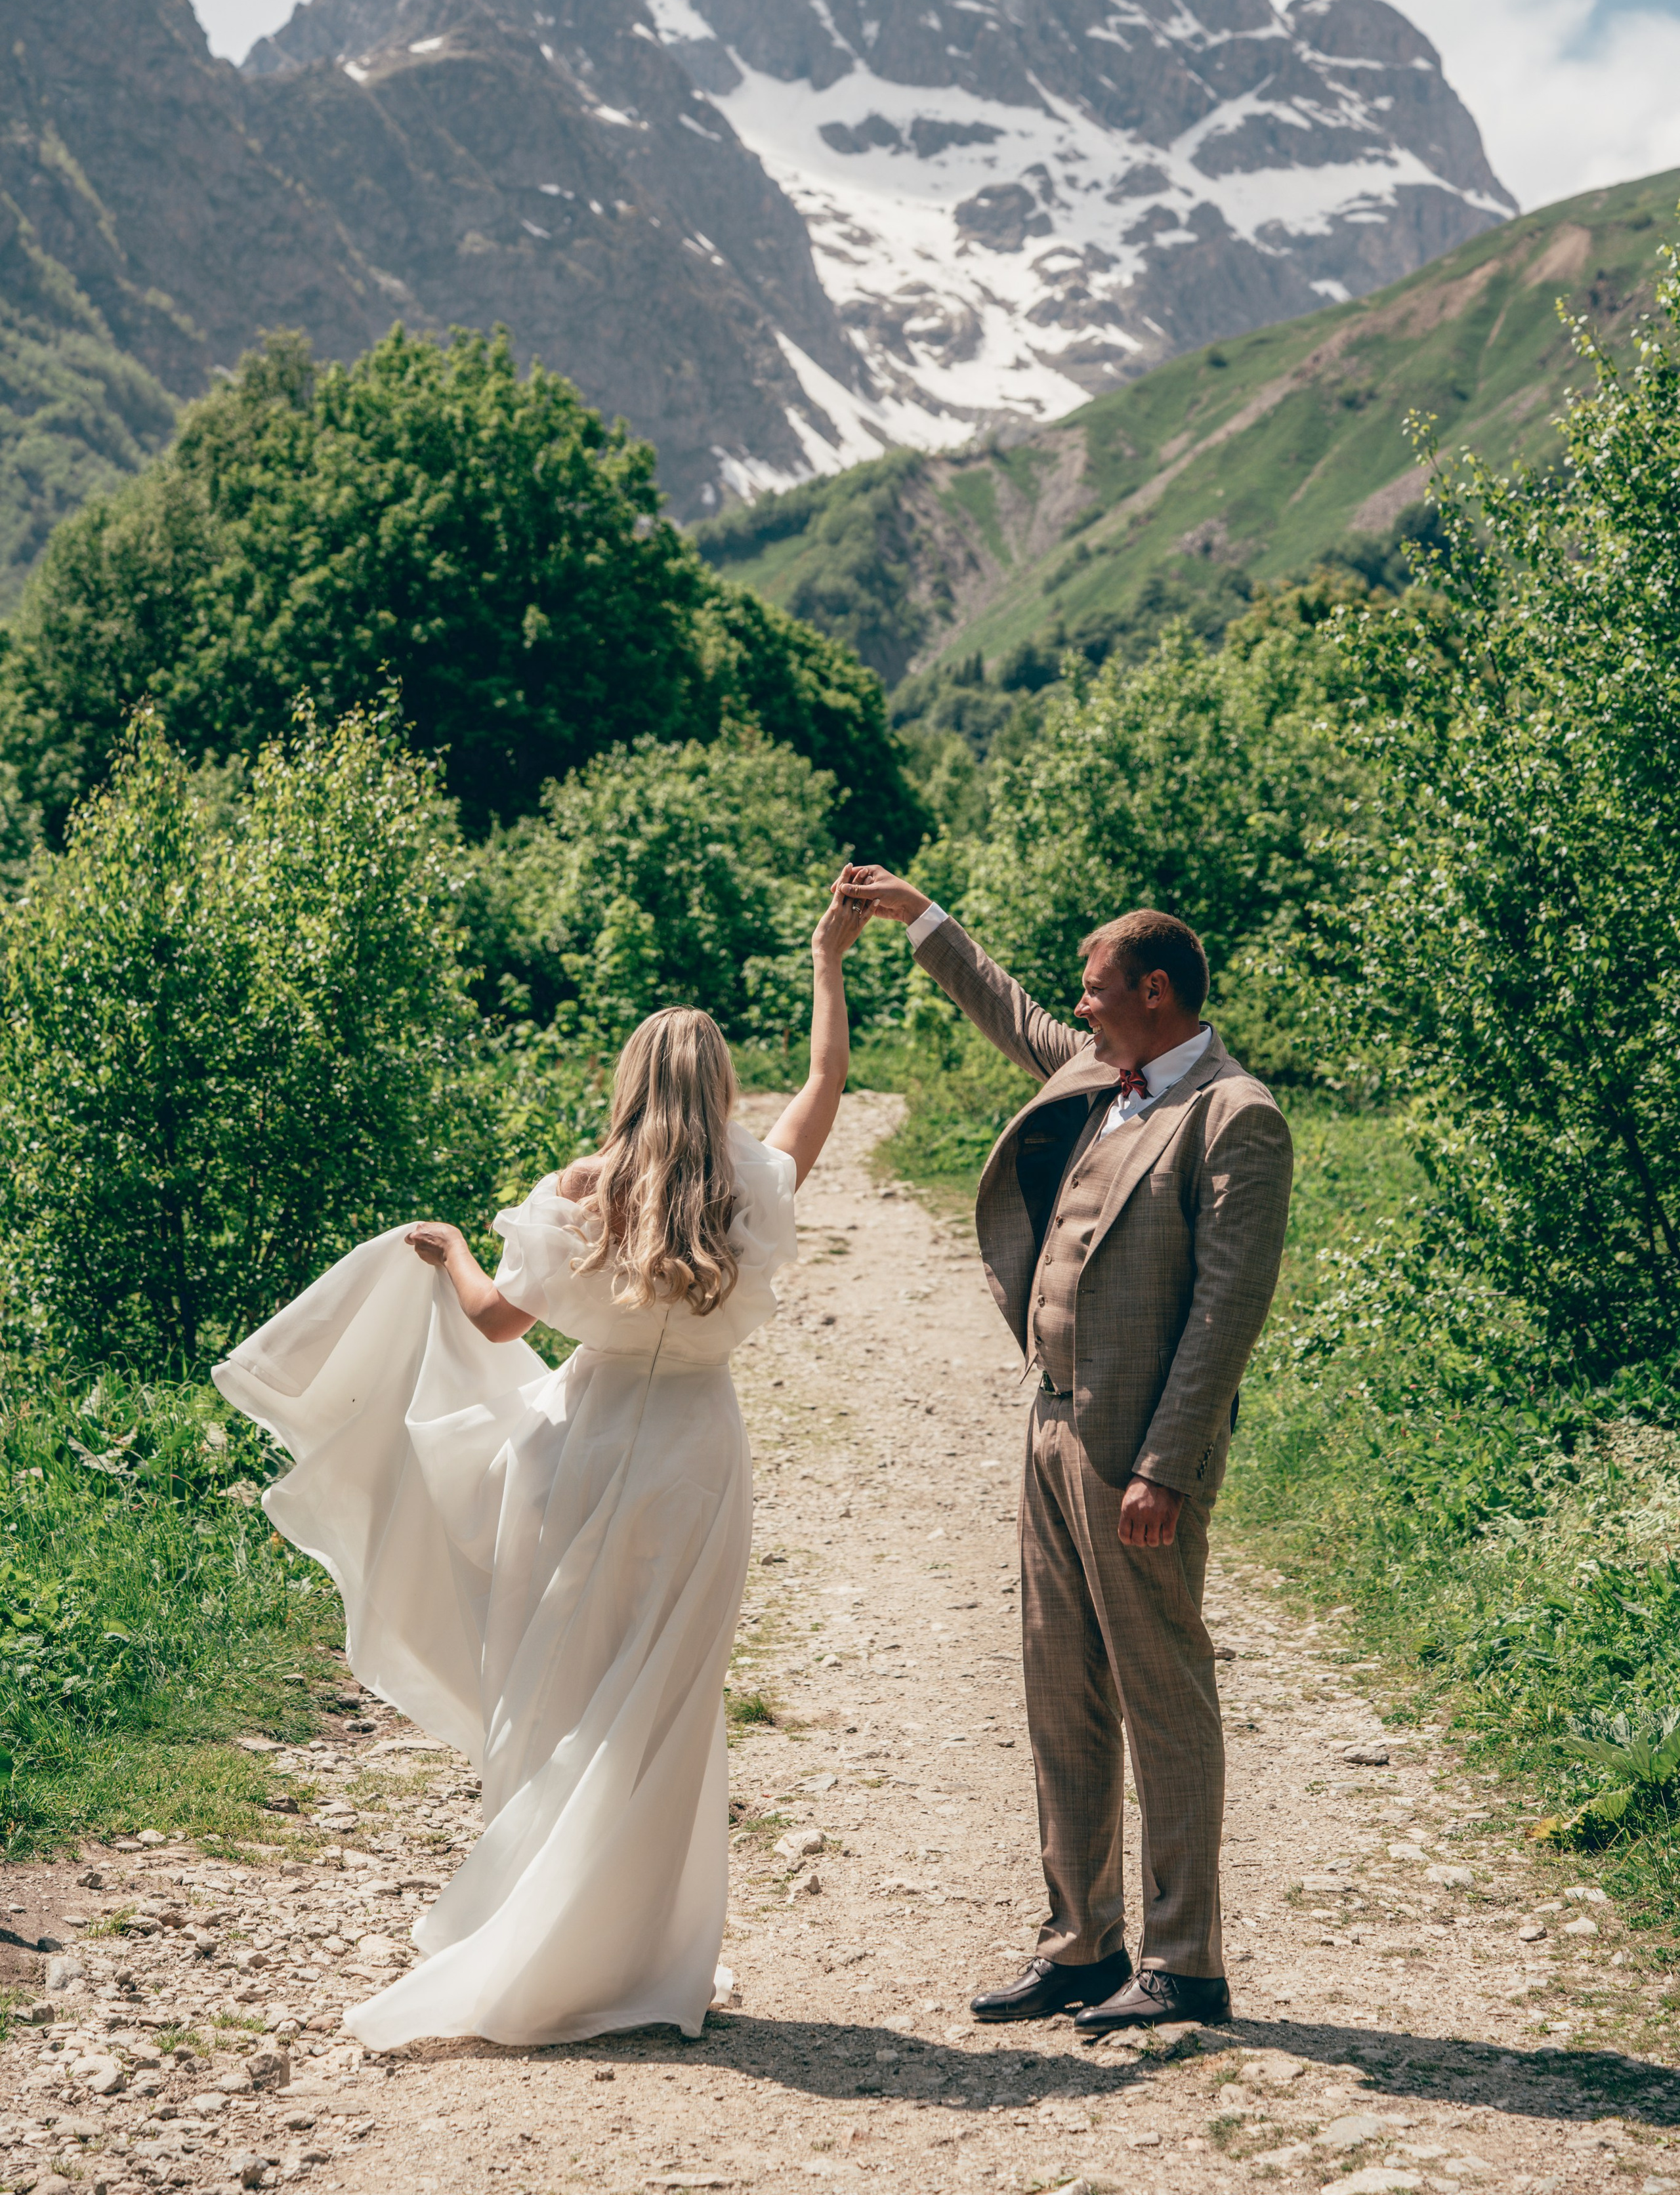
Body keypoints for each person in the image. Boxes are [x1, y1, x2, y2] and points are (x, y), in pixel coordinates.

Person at [213, 896, 870, 2049]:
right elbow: (825, 1085)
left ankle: (536, 1934)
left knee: (562, 1691)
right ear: (719, 1086)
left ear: (629, 1083)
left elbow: (495, 1324)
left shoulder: (583, 1191)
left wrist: (453, 1247)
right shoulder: (756, 1185)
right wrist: (827, 963)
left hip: (583, 1450)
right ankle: (640, 1954)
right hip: (698, 1459)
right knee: (666, 1706)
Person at [834, 866, 1292, 2035]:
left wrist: (1166, 1466)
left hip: (1136, 1448)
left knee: (1162, 1696)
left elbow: (1226, 1313)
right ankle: (1082, 1946)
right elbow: (1011, 1011)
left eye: (1096, 993)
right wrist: (919, 918)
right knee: (1061, 1694)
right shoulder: (1106, 1071)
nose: (1078, 1011)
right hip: (1049, 1419)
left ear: (1154, 990)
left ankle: (1186, 1961)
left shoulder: (1235, 1115)